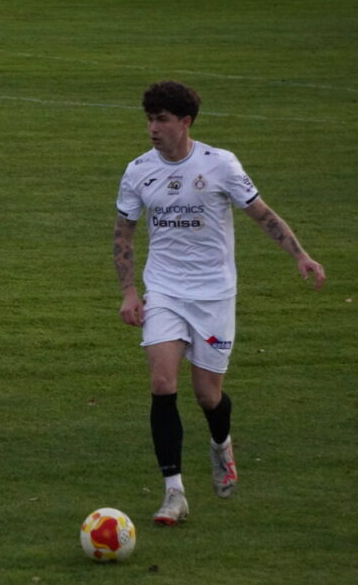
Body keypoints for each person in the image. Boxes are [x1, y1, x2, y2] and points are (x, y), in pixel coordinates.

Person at [113, 81, 325, 525]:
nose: (152, 128)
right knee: (162, 383)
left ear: (185, 122)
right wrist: (130, 292)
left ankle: (221, 444)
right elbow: (124, 234)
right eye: (149, 119)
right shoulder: (137, 171)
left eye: (162, 120)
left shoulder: (220, 164)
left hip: (214, 295)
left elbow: (262, 214)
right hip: (165, 291)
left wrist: (300, 254)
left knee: (208, 396)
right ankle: (174, 493)